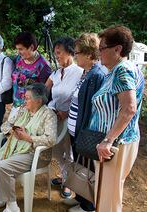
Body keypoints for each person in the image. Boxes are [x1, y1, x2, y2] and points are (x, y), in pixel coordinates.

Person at [82, 25, 145, 212]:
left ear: (117, 49)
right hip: (113, 141)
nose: (99, 53)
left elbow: (128, 109)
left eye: (102, 48)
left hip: (117, 143)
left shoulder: (122, 70)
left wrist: (108, 140)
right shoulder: (118, 70)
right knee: (106, 187)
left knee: (111, 190)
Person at [0, 83, 57, 212]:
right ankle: (3, 196)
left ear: (38, 100)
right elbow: (5, 126)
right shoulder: (23, 110)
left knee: (3, 166)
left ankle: (13, 209)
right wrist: (12, 130)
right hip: (14, 149)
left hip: (34, 154)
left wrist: (28, 138)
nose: (24, 100)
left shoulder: (49, 115)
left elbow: (51, 139)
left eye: (27, 98)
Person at [62, 33, 107, 212]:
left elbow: (94, 108)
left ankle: (88, 205)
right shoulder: (87, 72)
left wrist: (84, 132)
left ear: (89, 54)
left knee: (87, 168)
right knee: (80, 165)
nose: (75, 56)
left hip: (85, 132)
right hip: (76, 130)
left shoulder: (97, 75)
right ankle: (81, 198)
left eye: (78, 52)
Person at [45, 37, 83, 198]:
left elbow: (82, 98)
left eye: (59, 53)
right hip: (54, 117)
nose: (57, 56)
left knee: (69, 151)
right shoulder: (55, 73)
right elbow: (44, 92)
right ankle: (64, 175)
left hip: (69, 118)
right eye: (55, 53)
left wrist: (66, 113)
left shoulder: (80, 72)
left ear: (70, 52)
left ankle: (70, 183)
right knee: (57, 150)